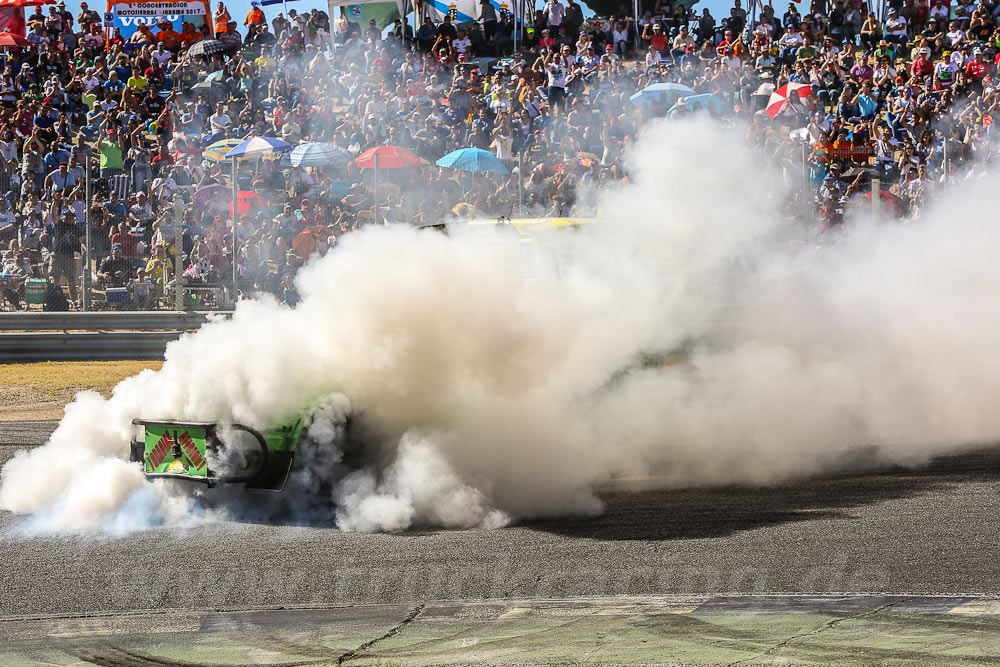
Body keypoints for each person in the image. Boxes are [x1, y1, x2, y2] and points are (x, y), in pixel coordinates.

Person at [49, 210, 84, 305]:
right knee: (55, 277)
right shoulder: (59, 224)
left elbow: (82, 240)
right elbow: (53, 215)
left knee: (71, 278)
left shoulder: (75, 228)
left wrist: (87, 249)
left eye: (71, 216)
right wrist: (54, 203)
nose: (69, 218)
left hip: (69, 255)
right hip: (57, 254)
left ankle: (74, 301)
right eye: (67, 216)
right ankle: (54, 299)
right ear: (63, 217)